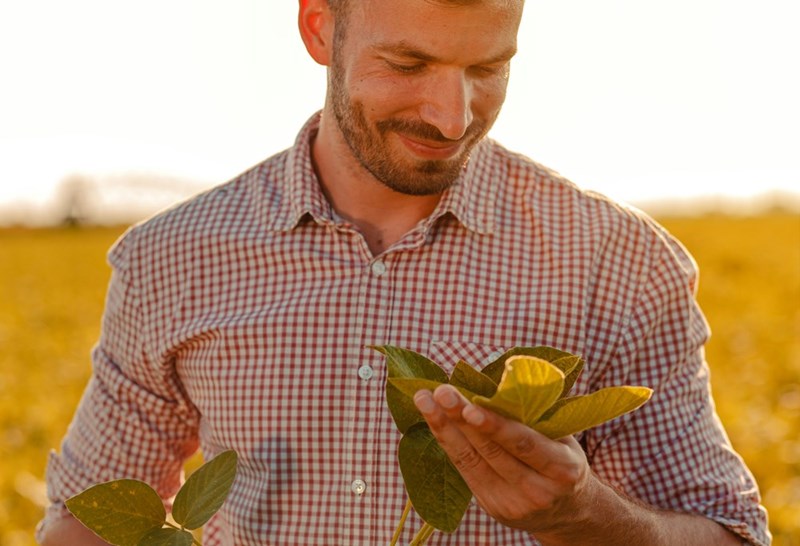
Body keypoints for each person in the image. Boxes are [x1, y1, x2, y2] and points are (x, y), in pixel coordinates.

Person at [38, 0, 771, 544]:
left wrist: (582, 514)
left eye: (488, 68)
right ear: (319, 27)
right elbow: (90, 521)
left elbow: (727, 532)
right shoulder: (169, 258)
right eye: (408, 64)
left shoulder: (618, 261)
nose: (451, 117)